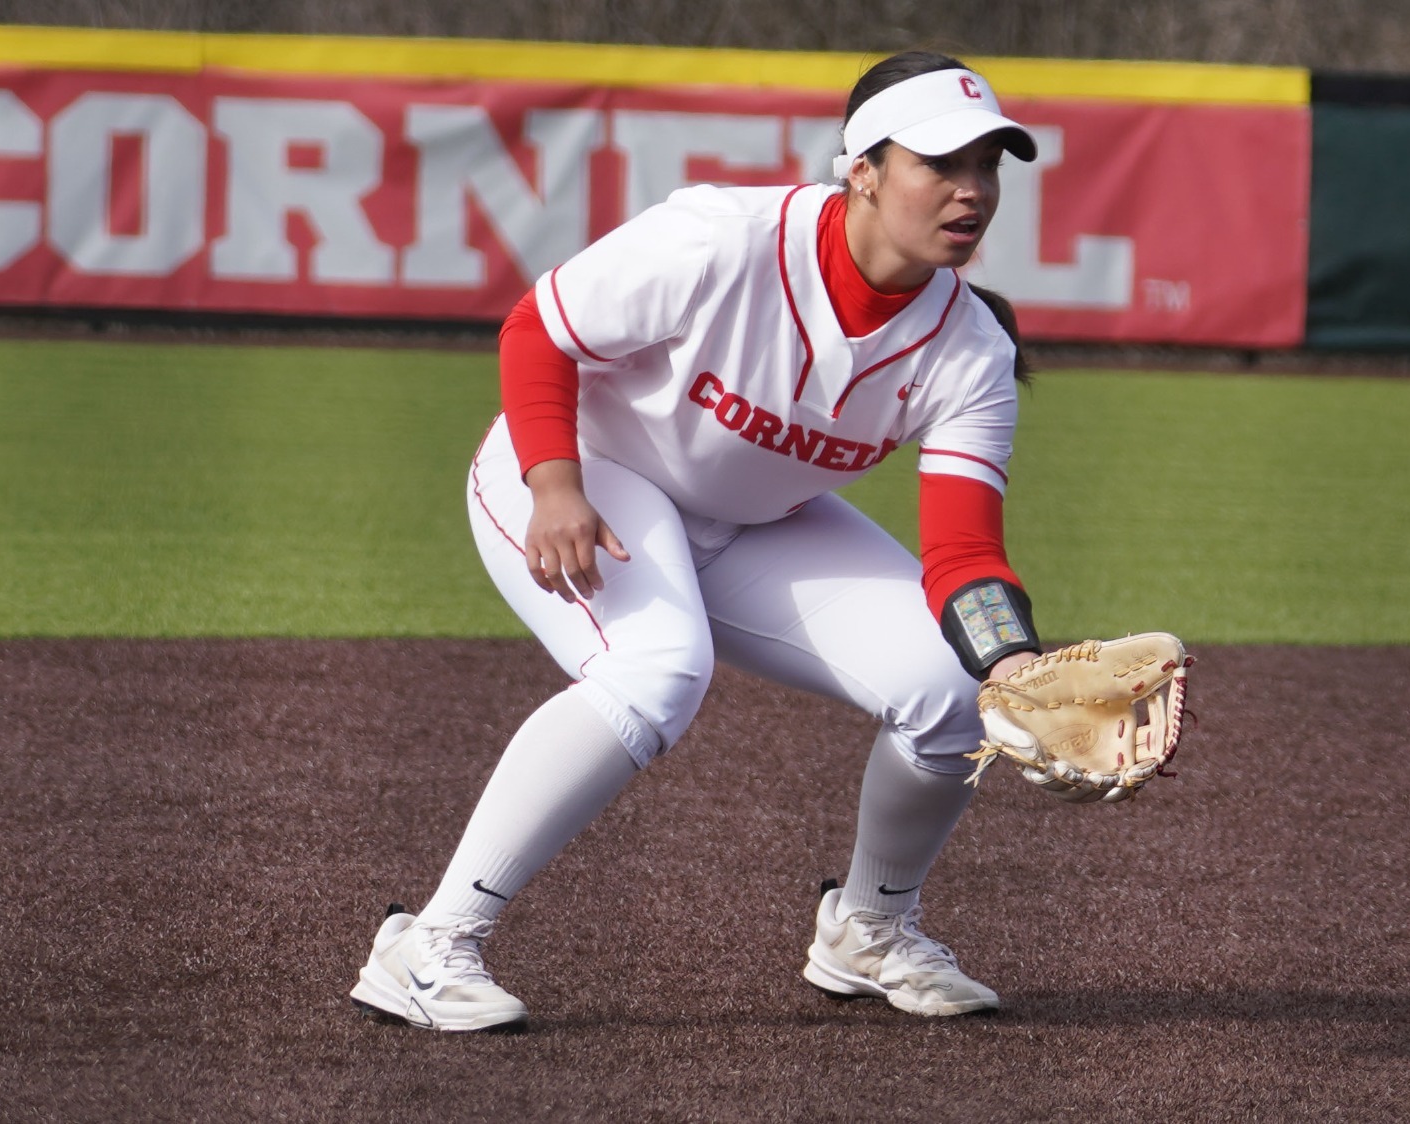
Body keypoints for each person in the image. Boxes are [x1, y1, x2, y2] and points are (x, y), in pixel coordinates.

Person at [349, 50, 1046, 1031]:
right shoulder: (726, 238)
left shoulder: (968, 348)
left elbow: (963, 553)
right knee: (657, 666)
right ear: (862, 169)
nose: (970, 190)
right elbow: (538, 330)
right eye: (940, 163)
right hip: (579, 472)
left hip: (751, 521)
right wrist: (554, 486)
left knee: (950, 686)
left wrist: (1016, 666)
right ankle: (430, 943)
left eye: (987, 166)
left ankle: (867, 929)